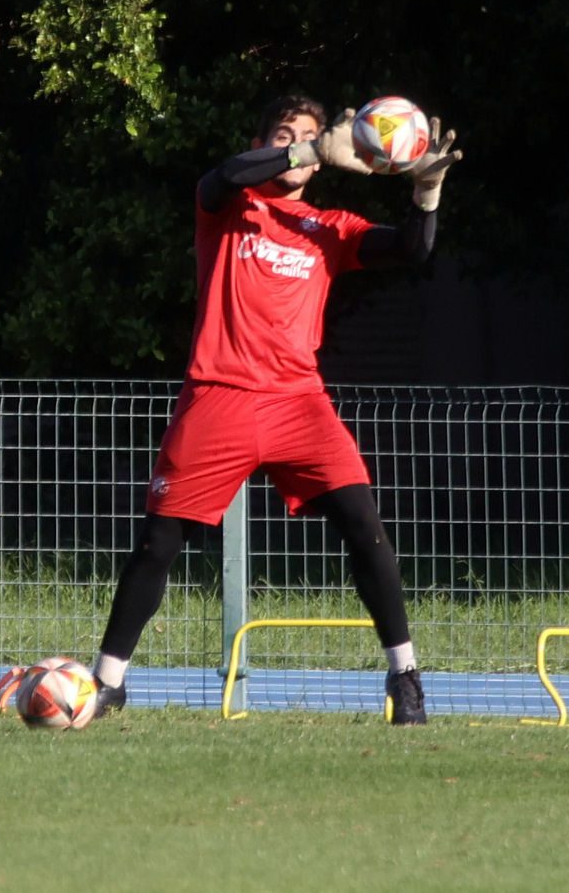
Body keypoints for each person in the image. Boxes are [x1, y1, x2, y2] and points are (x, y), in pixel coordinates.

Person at [90, 95, 461, 725]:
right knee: (159, 543)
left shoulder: (332, 228)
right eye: (284, 135)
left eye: (311, 137)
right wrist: (312, 146)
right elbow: (224, 174)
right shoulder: (231, 207)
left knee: (365, 529)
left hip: (299, 402)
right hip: (220, 395)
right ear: (266, 142)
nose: (297, 144)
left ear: (322, 169)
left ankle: (406, 680)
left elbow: (413, 252)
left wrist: (427, 191)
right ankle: (108, 684)